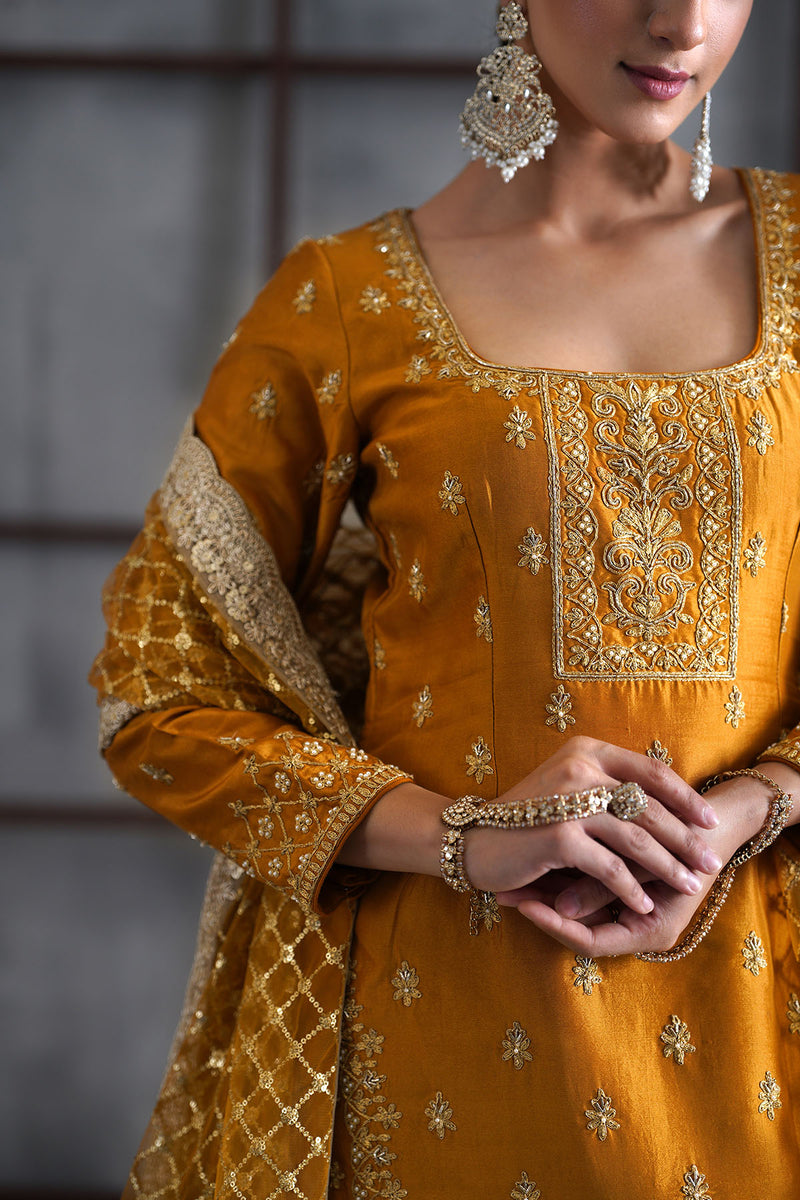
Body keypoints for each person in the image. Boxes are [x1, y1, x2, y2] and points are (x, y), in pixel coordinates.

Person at [91, 2, 800, 1196]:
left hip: (752, 1008)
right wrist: (466, 840)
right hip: (444, 1027)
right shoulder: (343, 303)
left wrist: (742, 810)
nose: (676, 19)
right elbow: (157, 693)